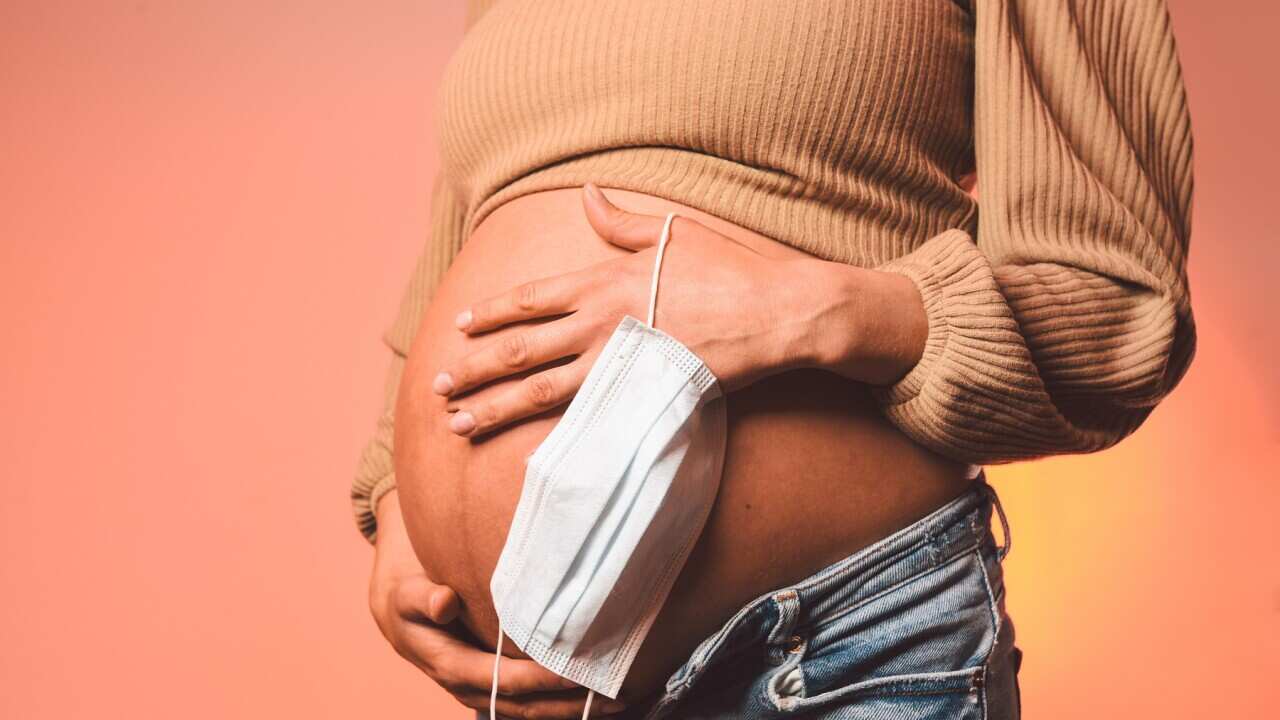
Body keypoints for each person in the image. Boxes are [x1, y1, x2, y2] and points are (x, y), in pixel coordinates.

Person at [355, 1, 1197, 718]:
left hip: (839, 651)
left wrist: (805, 311)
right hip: (552, 681)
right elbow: (470, 208)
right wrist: (400, 504)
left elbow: (1118, 305)